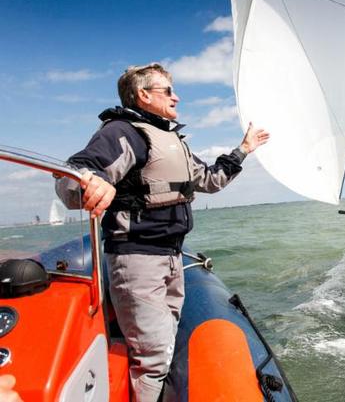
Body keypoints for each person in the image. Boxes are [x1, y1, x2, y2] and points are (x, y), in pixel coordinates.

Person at [56, 63, 269, 401]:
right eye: (168, 91)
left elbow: (210, 180)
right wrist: (88, 183)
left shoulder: (171, 140)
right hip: (137, 259)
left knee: (164, 347)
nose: (177, 97)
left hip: (170, 258)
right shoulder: (123, 132)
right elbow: (75, 172)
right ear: (143, 95)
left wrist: (243, 149)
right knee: (153, 361)